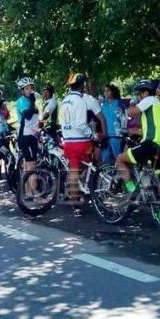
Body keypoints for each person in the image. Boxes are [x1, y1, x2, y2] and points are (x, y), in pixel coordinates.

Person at [115, 79, 160, 220]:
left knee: (120, 159)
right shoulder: (157, 104)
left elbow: (132, 112)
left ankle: (132, 191)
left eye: (138, 94)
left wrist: (128, 106)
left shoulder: (148, 99)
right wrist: (135, 131)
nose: (138, 97)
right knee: (159, 180)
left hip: (151, 144)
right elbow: (152, 127)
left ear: (144, 92)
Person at [60, 73, 94, 217]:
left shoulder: (64, 101)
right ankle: (91, 185)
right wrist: (91, 134)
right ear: (82, 86)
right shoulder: (80, 101)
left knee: (73, 171)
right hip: (81, 141)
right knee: (90, 163)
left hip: (68, 141)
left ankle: (76, 205)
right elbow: (81, 125)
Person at [15, 77, 41, 195]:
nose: (30, 90)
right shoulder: (21, 102)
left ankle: (28, 193)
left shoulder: (32, 101)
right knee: (32, 166)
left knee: (27, 166)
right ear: (22, 91)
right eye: (27, 88)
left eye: (31, 88)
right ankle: (36, 194)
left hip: (32, 135)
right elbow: (28, 115)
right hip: (26, 136)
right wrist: (32, 101)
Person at [101, 83, 126, 164]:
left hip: (116, 135)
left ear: (113, 92)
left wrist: (123, 132)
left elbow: (123, 119)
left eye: (108, 91)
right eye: (104, 91)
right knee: (105, 158)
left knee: (118, 158)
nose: (106, 93)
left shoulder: (118, 103)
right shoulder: (102, 105)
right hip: (105, 135)